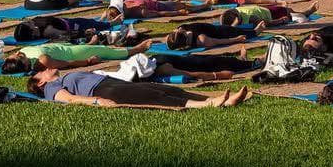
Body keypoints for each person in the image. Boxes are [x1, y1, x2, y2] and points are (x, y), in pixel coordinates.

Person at [28, 67, 249, 109]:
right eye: (41, 72)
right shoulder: (51, 88)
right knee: (155, 96)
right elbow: (68, 99)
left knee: (168, 90)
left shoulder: (62, 77)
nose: (46, 69)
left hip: (112, 83)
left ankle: (221, 99)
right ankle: (208, 105)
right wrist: (96, 101)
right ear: (40, 82)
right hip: (103, 91)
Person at [1, 40, 151, 74]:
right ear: (25, 65)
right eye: (19, 57)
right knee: (104, 50)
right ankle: (136, 49)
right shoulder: (42, 61)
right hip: (72, 53)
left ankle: (90, 43)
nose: (18, 53)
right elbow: (67, 63)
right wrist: (88, 61)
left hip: (61, 46)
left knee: (88, 44)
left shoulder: (21, 56)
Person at [12, 15, 118, 44]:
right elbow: (67, 34)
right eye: (27, 23)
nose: (29, 21)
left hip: (66, 22)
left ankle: (101, 21)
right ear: (32, 31)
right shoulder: (48, 31)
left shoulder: (35, 25)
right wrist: (84, 33)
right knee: (90, 23)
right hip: (74, 26)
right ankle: (111, 23)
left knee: (91, 22)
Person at [102, 0, 207, 23]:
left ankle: (176, 1)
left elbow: (106, 13)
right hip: (160, 6)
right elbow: (160, 13)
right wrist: (178, 13)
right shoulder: (141, 12)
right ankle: (202, 6)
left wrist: (102, 19)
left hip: (153, 0)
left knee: (176, 2)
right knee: (183, 5)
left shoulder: (125, 4)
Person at [165, 22, 258, 51]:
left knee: (239, 27)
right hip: (225, 32)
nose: (179, 29)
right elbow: (219, 41)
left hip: (217, 27)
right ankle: (257, 30)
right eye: (179, 30)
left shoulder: (178, 33)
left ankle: (238, 25)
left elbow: (169, 42)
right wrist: (237, 39)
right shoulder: (201, 40)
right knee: (249, 33)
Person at [220, 2, 317, 27]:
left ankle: (302, 14)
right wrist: (280, 21)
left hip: (265, 9)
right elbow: (265, 23)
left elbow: (252, 7)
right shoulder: (250, 18)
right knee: (289, 12)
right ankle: (306, 13)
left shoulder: (235, 11)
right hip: (270, 14)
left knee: (288, 10)